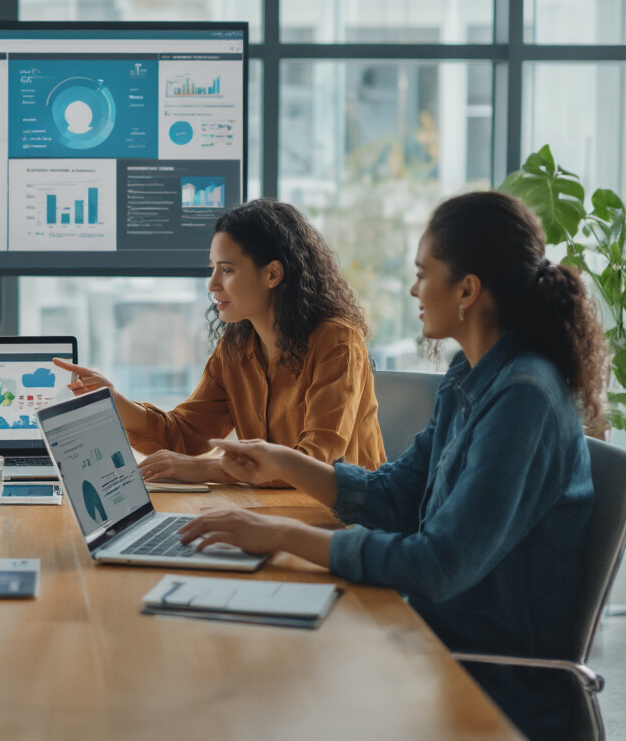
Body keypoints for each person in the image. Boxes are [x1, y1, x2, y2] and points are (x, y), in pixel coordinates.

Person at [177, 191, 604, 740]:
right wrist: (282, 462)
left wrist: (280, 534)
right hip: (426, 637)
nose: (413, 290)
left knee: (264, 692)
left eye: (424, 274)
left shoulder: (524, 399)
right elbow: (398, 495)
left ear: (468, 289)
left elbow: (437, 564)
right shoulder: (470, 377)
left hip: (486, 683)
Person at [55, 199, 384, 486]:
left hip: (345, 522)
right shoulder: (236, 348)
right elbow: (186, 436)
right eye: (212, 268)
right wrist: (114, 401)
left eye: (226, 269)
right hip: (270, 511)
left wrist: (208, 469)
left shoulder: (337, 341)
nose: (212, 284)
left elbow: (316, 461)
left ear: (272, 274)